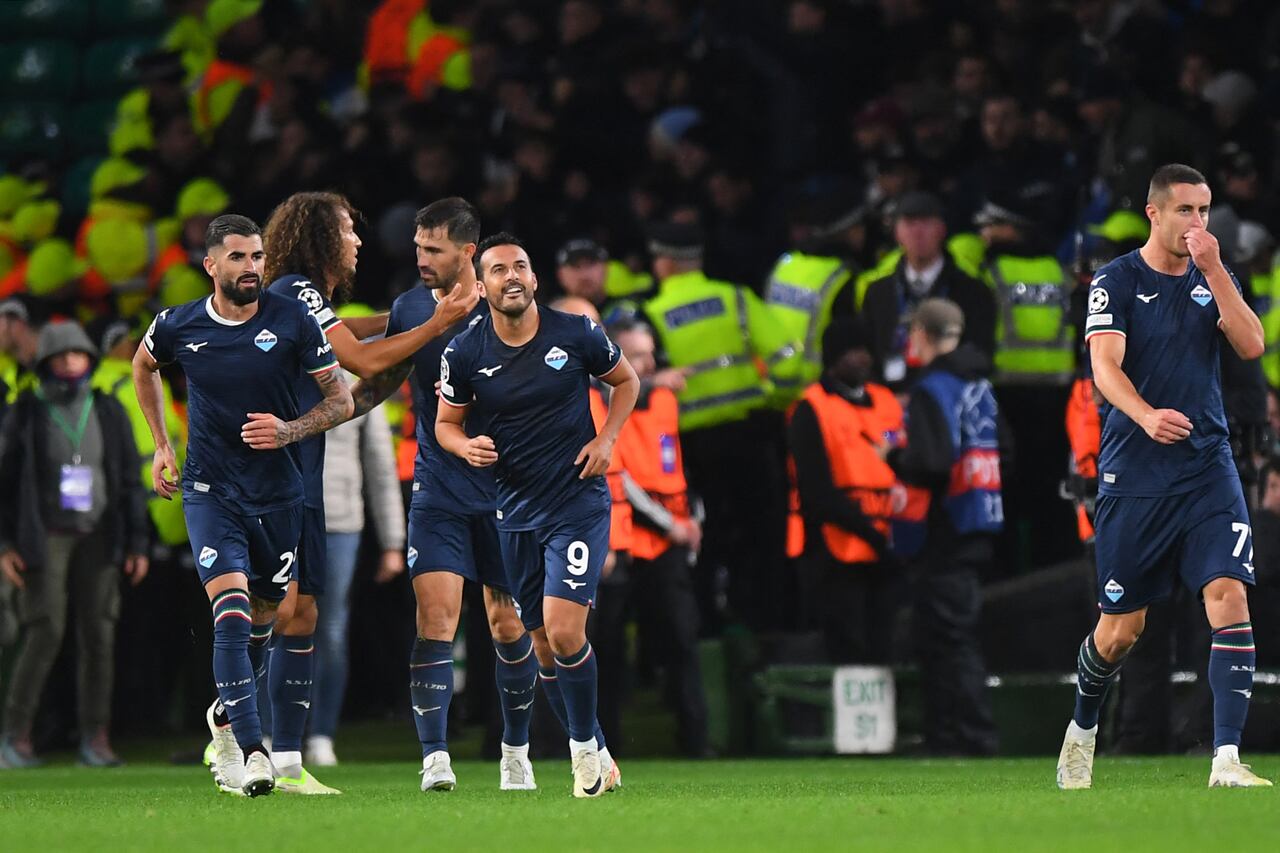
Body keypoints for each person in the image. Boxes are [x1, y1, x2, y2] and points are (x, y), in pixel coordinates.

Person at [1057, 164, 1271, 789]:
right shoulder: (1116, 279)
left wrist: (1215, 272)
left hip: (1208, 467)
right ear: (1155, 213)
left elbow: (1252, 344)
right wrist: (1146, 415)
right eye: (1186, 211)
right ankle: (1083, 728)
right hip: (1136, 473)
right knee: (1122, 632)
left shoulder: (1214, 278)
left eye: (1205, 211)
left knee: (1229, 597)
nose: (1198, 224)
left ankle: (1226, 761)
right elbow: (1103, 365)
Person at [254, 191, 476, 794]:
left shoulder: (304, 301)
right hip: (277, 475)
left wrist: (406, 315)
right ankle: (234, 733)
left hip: (303, 468)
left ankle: (287, 762)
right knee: (273, 614)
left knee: (302, 615)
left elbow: (349, 332)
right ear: (324, 238)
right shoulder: (298, 288)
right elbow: (360, 358)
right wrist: (435, 322)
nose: (357, 242)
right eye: (348, 231)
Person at [132, 214, 353, 797]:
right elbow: (143, 365)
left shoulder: (293, 320)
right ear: (211, 265)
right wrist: (161, 445)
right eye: (238, 257)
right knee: (229, 614)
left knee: (262, 626)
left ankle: (225, 722)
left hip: (281, 494)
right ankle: (255, 752)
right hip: (211, 491)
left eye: (257, 257)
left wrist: (289, 430)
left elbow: (341, 399)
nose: (251, 267)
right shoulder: (177, 325)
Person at [343, 198, 542, 792]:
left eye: (433, 249)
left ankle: (515, 751)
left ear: (469, 253)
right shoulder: (409, 306)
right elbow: (379, 383)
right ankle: (435, 757)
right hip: (439, 489)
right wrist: (308, 424)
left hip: (508, 492)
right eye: (418, 247)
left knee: (508, 627)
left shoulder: (511, 308)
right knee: (435, 618)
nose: (421, 258)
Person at [436, 232, 640, 798]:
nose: (512, 277)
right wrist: (463, 447)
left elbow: (627, 381)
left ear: (535, 278)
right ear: (482, 286)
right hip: (513, 510)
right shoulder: (466, 352)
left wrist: (607, 439)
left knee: (565, 627)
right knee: (543, 643)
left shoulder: (575, 332)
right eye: (498, 269)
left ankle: (581, 761)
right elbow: (445, 425)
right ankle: (597, 746)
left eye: (520, 266)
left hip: (576, 502)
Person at [0, 322, 149, 768]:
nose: (69, 361)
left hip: (100, 536)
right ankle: (15, 736)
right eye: (60, 356)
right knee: (44, 632)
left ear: (90, 358)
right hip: (44, 537)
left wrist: (137, 541)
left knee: (99, 635)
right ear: (45, 362)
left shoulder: (106, 409)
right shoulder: (25, 412)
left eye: (77, 354)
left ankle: (95, 737)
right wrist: (5, 543)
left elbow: (128, 481)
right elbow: (4, 485)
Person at [889, 298, 1003, 756]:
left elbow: (932, 463)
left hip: (944, 527)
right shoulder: (980, 385)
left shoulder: (933, 388)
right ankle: (946, 736)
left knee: (949, 640)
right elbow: (1005, 452)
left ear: (922, 333)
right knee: (945, 635)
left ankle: (972, 737)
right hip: (979, 517)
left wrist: (895, 458)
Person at [610, 317, 710, 757]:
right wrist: (670, 524)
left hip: (669, 541)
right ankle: (603, 748)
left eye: (650, 353)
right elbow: (622, 477)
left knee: (683, 642)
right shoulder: (607, 402)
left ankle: (696, 742)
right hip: (627, 540)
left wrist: (693, 519)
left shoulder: (665, 401)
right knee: (608, 649)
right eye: (636, 355)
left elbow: (679, 466)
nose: (648, 364)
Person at [787, 317, 903, 664]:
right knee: (848, 652)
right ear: (833, 359)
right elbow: (816, 492)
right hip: (834, 552)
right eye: (851, 352)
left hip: (888, 552)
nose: (862, 359)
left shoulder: (886, 401)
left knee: (888, 648)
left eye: (865, 350)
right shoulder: (811, 408)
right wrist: (872, 534)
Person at [309, 361, 405, 768]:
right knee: (273, 625)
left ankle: (319, 734)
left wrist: (392, 542)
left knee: (329, 630)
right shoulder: (274, 364)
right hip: (281, 516)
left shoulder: (356, 381)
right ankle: (265, 733)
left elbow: (381, 467)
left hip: (340, 522)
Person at [859, 191, 995, 391]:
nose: (918, 232)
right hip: (890, 407)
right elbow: (868, 355)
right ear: (897, 233)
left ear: (941, 229)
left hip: (948, 404)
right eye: (909, 223)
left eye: (926, 222)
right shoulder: (879, 293)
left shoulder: (973, 292)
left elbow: (980, 356)